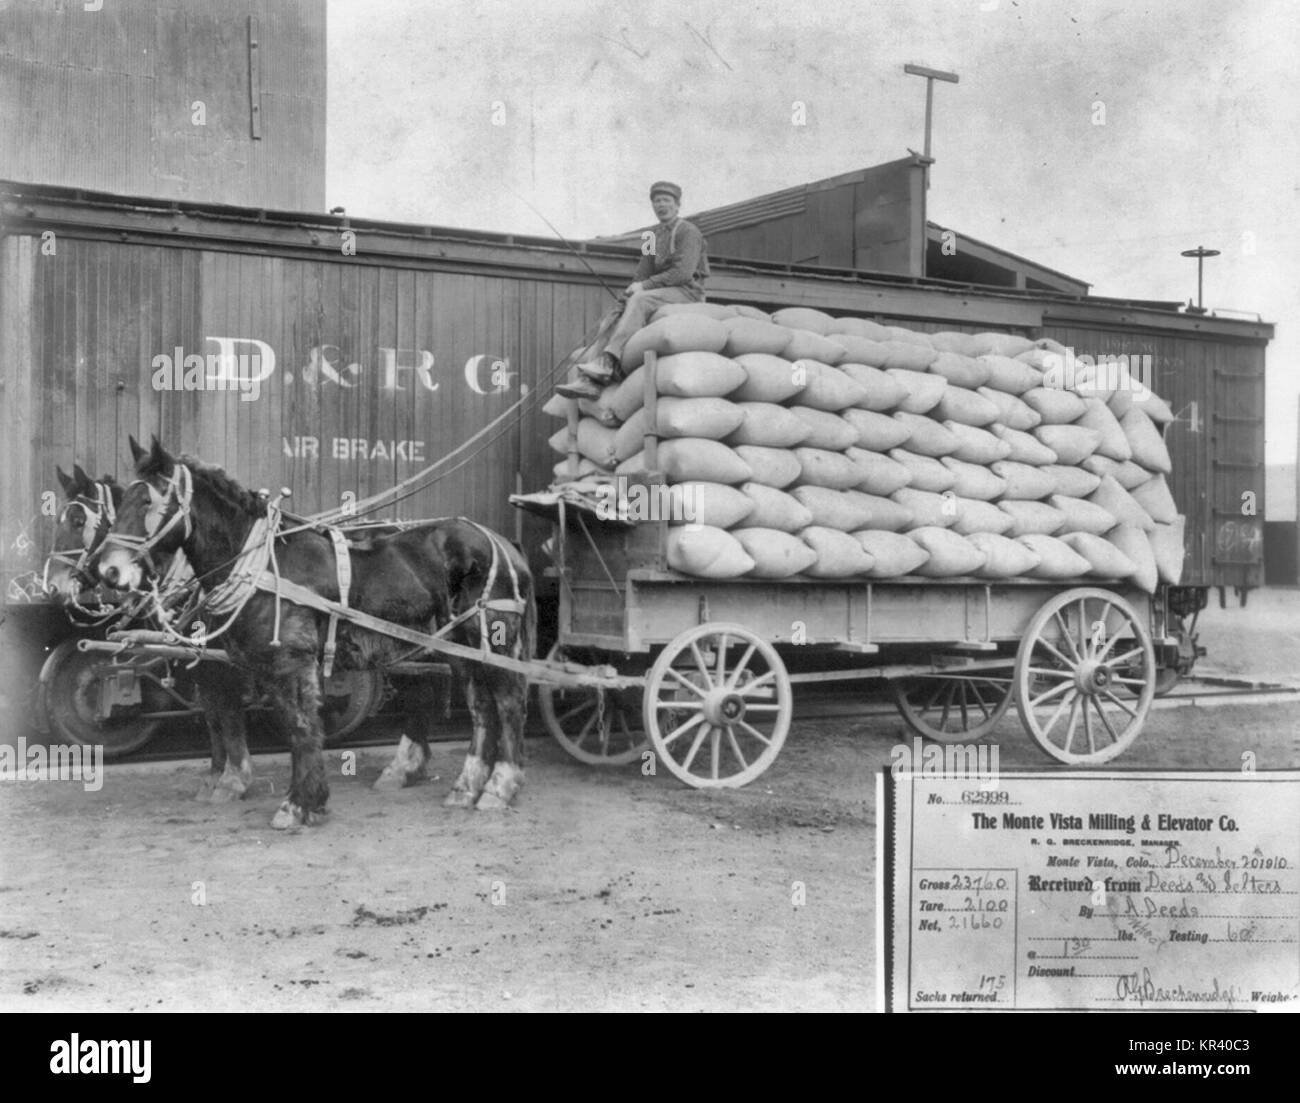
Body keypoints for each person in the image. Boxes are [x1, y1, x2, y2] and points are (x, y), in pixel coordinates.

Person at [556, 181, 709, 399]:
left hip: (687, 292)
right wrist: (625, 297)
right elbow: (643, 271)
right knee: (610, 318)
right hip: (659, 290)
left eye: (666, 200)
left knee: (641, 300)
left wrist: (643, 287)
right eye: (656, 201)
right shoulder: (651, 236)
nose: (661, 205)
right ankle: (589, 381)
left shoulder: (688, 231)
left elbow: (682, 274)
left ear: (677, 205)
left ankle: (609, 361)